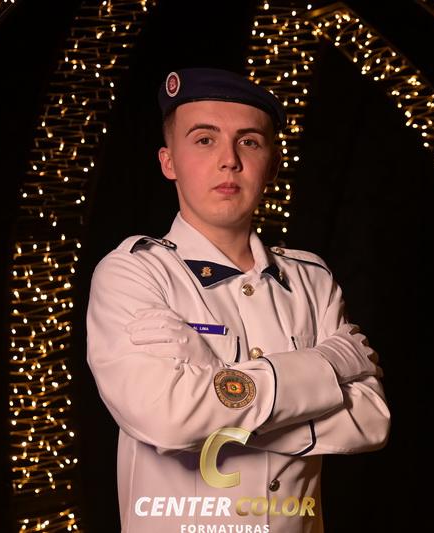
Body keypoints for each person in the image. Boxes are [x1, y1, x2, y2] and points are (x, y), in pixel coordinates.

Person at [85, 67, 390, 533]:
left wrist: (215, 396)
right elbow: (167, 419)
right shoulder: (134, 272)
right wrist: (328, 365)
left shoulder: (312, 278)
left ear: (273, 165)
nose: (228, 160)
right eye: (204, 140)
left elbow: (371, 420)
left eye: (248, 141)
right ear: (169, 161)